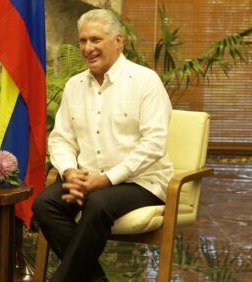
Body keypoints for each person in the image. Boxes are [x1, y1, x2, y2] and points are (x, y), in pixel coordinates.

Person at [32, 9, 173, 282]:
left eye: (96, 40)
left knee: (97, 203)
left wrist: (107, 179)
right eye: (83, 41)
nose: (88, 48)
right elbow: (61, 138)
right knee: (44, 204)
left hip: (142, 182)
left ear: (118, 41)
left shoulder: (145, 81)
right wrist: (69, 172)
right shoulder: (74, 86)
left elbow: (154, 144)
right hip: (87, 179)